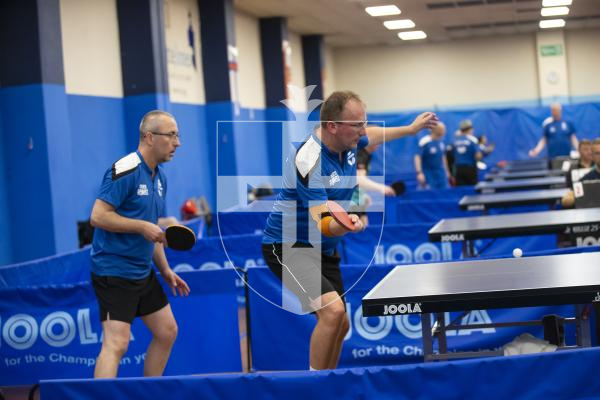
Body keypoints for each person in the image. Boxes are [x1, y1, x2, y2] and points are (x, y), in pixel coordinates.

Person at [261, 91, 437, 371]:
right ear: (332, 126)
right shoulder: (308, 160)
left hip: (323, 248)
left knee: (340, 323)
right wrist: (347, 223)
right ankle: (315, 386)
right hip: (288, 245)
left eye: (363, 123)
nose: (363, 131)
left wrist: (410, 129)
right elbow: (324, 224)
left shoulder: (349, 141)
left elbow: (376, 135)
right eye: (357, 125)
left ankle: (329, 380)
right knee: (332, 313)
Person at [89, 110, 190, 378]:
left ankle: (149, 392)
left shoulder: (160, 177)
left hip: (142, 271)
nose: (177, 143)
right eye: (171, 135)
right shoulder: (125, 170)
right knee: (116, 344)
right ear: (149, 137)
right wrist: (141, 226)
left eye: (177, 135)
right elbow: (98, 216)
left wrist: (165, 270)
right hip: (114, 270)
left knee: (167, 331)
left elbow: (153, 230)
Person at [414, 122, 451, 189]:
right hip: (428, 174)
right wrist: (419, 173)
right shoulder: (424, 142)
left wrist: (447, 171)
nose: (445, 131)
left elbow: (443, 158)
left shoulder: (441, 143)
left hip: (441, 174)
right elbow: (417, 157)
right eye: (443, 129)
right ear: (436, 129)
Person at [561, 139, 594, 208]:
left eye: (590, 149)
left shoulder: (597, 167)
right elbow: (569, 188)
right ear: (579, 151)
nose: (589, 152)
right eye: (585, 149)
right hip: (578, 200)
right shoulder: (572, 168)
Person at [451, 119, 482, 186]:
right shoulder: (473, 139)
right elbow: (478, 156)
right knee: (472, 191)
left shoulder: (455, 140)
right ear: (470, 129)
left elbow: (452, 156)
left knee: (460, 191)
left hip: (458, 169)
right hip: (470, 169)